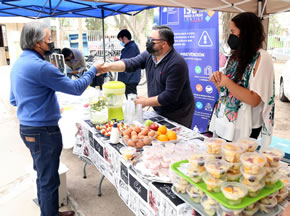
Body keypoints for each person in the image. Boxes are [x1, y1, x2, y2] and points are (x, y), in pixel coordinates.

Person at [10, 22, 103, 216]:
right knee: (49, 179)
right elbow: (76, 88)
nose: (51, 43)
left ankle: (50, 210)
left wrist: (40, 102)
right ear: (37, 43)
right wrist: (93, 70)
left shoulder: (19, 63)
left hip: (27, 129)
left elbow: (13, 99)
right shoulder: (42, 67)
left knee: (43, 174)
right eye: (48, 40)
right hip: (44, 132)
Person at [98, 25, 195, 128]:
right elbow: (131, 63)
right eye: (149, 38)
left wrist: (145, 102)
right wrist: (107, 67)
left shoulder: (176, 63)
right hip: (160, 108)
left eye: (152, 40)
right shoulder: (150, 55)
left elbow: (169, 96)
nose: (148, 42)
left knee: (174, 139)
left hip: (178, 112)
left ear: (164, 44)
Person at [209, 12, 275, 146]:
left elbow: (254, 99)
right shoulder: (236, 55)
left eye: (233, 31)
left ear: (245, 33)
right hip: (225, 123)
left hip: (245, 127)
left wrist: (227, 82)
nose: (230, 36)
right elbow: (225, 91)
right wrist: (218, 82)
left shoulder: (262, 58)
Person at [115, 29, 141, 97]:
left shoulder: (131, 48)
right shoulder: (130, 47)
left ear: (125, 38)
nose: (121, 42)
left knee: (131, 99)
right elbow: (127, 60)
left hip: (130, 80)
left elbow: (127, 64)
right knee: (130, 99)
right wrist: (119, 60)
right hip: (130, 79)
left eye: (120, 40)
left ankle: (135, 107)